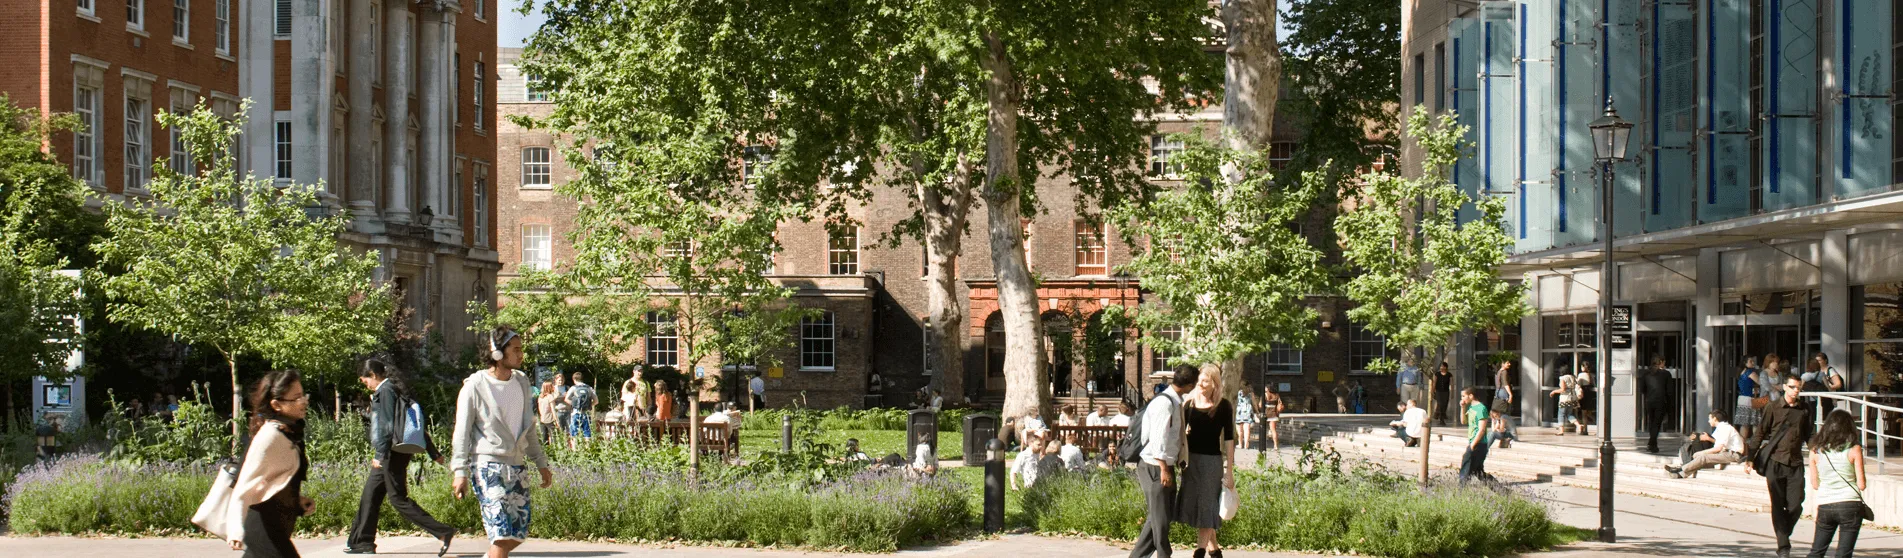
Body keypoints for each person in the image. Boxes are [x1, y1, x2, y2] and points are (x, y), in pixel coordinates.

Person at [451, 327, 555, 558]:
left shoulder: (522, 382)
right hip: (488, 467)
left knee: (517, 534)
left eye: (521, 349)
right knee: (500, 534)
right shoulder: (475, 385)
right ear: (497, 353)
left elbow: (528, 428)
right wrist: (459, 471)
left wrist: (541, 463)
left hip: (516, 466)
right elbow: (462, 430)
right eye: (515, 349)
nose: (521, 355)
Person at [345, 360, 455, 556]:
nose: (366, 385)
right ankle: (361, 542)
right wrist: (433, 451)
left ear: (372, 374)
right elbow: (412, 422)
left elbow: (387, 424)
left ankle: (443, 532)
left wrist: (380, 454)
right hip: (394, 451)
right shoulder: (393, 389)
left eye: (365, 381)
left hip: (391, 453)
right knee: (370, 494)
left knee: (398, 499)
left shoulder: (386, 390)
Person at [227, 370, 314, 558]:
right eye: (296, 397)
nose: (304, 401)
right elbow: (244, 483)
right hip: (263, 528)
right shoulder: (270, 435)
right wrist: (234, 528)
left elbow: (275, 478)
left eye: (303, 395)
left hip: (276, 527)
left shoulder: (288, 432)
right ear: (276, 404)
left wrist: (296, 500)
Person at [1128, 364, 1196, 558]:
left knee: (1158, 517)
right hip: (1154, 466)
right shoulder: (1164, 404)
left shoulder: (1174, 401)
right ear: (1189, 384)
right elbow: (1158, 438)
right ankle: (1164, 555)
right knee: (1162, 520)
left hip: (1162, 465)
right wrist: (1164, 468)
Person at [1746, 375, 1814, 558]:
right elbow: (1760, 433)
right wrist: (1750, 458)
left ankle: (1783, 530)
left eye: (1799, 388)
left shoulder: (1805, 409)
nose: (1796, 391)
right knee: (1777, 504)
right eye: (1792, 387)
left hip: (1795, 462)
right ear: (1785, 387)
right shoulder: (1773, 407)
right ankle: (1783, 546)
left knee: (1796, 504)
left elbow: (1810, 434)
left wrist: (1818, 450)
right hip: (1775, 462)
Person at [1173, 364, 1235, 558]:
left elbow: (1229, 440)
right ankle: (1215, 551)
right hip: (1191, 463)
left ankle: (1199, 552)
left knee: (1208, 506)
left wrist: (1229, 470)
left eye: (1205, 381)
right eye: (1199, 380)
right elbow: (1179, 434)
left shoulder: (1223, 406)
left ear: (1214, 383)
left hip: (1212, 463)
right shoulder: (1188, 405)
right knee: (1197, 505)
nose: (1200, 384)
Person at [1806, 410, 1868, 558]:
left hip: (1825, 503)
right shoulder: (1854, 449)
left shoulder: (1815, 451)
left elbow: (1815, 484)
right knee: (1843, 553)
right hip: (1850, 503)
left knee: (1817, 551)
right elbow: (1861, 484)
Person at [1665, 410, 1744, 479]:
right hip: (1726, 453)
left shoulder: (1725, 428)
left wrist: (1702, 453)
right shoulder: (1721, 428)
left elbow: (1718, 448)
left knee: (1702, 457)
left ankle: (1680, 469)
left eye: (1709, 419)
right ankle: (1681, 474)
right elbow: (1717, 443)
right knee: (1698, 458)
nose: (1708, 421)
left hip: (1733, 454)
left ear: (1715, 419)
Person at [1638, 355, 1673, 453]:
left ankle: (1653, 444)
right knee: (1657, 423)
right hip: (1661, 401)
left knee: (1652, 422)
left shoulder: (1646, 374)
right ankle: (1651, 443)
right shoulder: (1666, 374)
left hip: (1649, 401)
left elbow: (1642, 389)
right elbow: (1669, 391)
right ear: (1661, 362)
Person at [1458, 387, 1491, 485]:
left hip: (1479, 444)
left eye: (1464, 396)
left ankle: (1460, 491)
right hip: (1473, 442)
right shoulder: (1471, 407)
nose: (1462, 398)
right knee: (1478, 472)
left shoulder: (1481, 408)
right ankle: (1501, 490)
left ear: (1471, 396)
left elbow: (1481, 429)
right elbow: (1463, 421)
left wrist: (1472, 445)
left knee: (1466, 466)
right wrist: (1462, 408)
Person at [566, 372, 597, 449]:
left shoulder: (573, 388)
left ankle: (575, 450)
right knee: (587, 431)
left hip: (576, 413)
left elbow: (566, 399)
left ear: (574, 379)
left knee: (574, 432)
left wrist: (574, 405)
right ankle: (588, 450)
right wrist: (589, 405)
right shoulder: (589, 388)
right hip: (586, 413)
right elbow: (596, 401)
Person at [1737, 356, 1763, 440]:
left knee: (1744, 424)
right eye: (1750, 361)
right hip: (1751, 399)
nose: (1753, 363)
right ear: (1745, 363)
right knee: (1756, 422)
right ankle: (1756, 443)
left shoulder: (1741, 372)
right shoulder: (1750, 372)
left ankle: (1742, 444)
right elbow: (1760, 382)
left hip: (1742, 398)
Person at [1549, 370, 1582, 435]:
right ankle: (1578, 425)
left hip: (1564, 398)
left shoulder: (1563, 378)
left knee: (1561, 414)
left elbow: (1563, 389)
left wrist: (1554, 391)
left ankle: (1561, 430)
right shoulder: (1572, 377)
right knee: (1569, 414)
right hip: (1572, 398)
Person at [1235, 385, 1256, 450]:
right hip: (1247, 412)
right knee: (1247, 430)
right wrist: (1257, 411)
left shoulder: (1237, 393)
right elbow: (1254, 403)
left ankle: (1240, 444)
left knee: (1239, 430)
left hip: (1239, 412)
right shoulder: (1251, 394)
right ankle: (1246, 444)